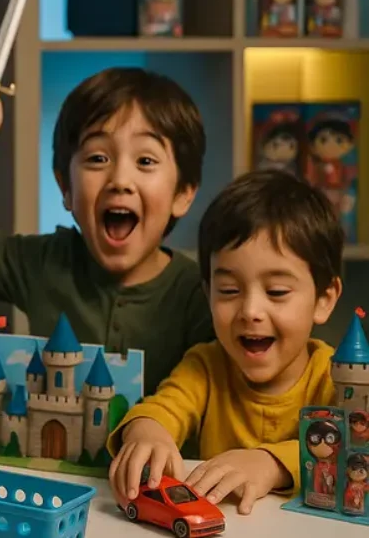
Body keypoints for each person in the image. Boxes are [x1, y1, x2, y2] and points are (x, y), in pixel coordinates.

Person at [0, 67, 213, 393]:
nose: (120, 181)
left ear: (183, 194)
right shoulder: (46, 262)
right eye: (98, 158)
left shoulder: (201, 296)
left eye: (145, 161)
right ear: (65, 187)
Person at [107, 169, 343, 515]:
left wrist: (271, 464)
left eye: (276, 292)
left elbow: (355, 452)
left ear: (323, 299)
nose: (249, 311)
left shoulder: (338, 377)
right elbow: (162, 407)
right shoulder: (205, 366)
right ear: (208, 293)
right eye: (229, 291)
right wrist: (147, 434)